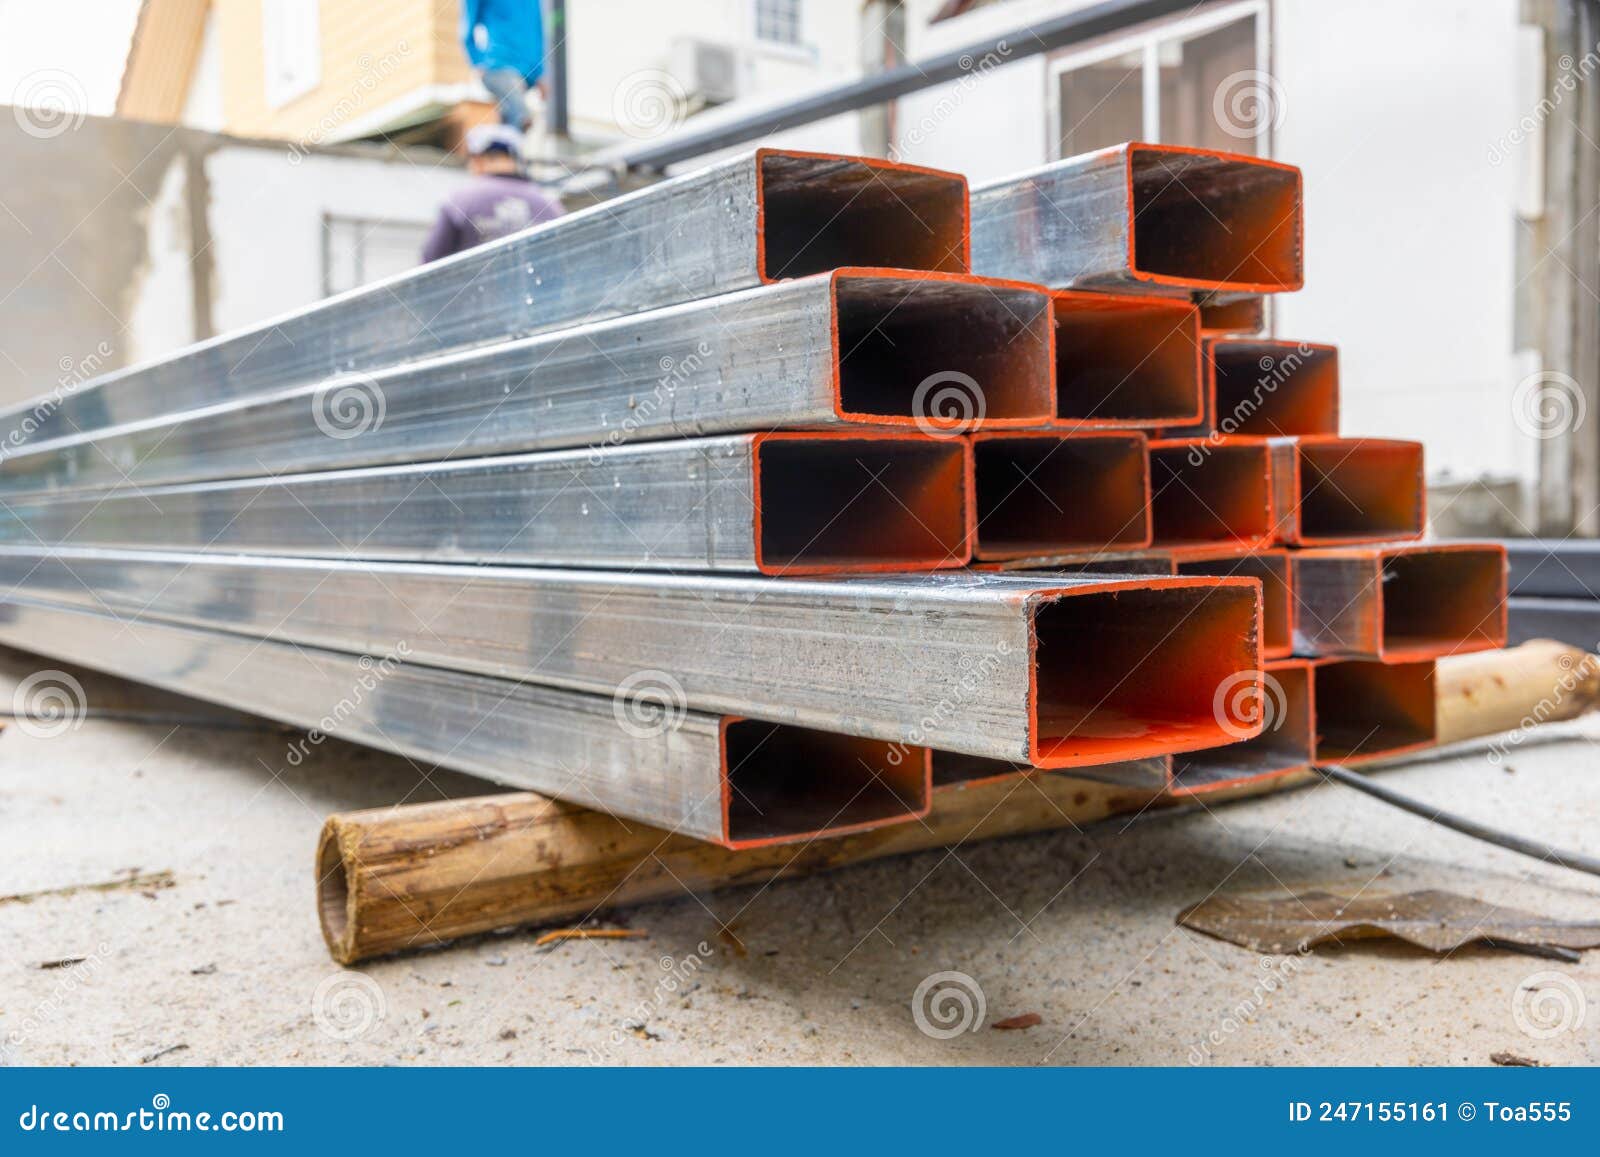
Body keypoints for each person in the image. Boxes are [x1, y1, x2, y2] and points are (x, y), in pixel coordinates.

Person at [420, 124, 564, 263]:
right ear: (515, 160)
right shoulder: (550, 205)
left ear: (477, 160)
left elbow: (429, 264)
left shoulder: (458, 202)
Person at [461, 0, 546, 130]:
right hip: (499, 67)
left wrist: (540, 73)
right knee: (520, 115)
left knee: (509, 121)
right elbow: (467, 27)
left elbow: (538, 30)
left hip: (527, 73)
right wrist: (477, 61)